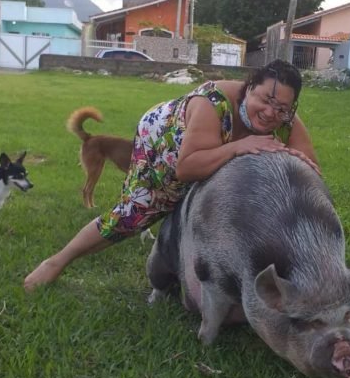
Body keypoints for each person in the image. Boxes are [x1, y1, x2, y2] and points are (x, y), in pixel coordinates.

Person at [24, 59, 321, 292]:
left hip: (209, 148)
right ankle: (56, 262)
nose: (271, 113)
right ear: (249, 87)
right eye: (265, 100)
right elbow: (187, 167)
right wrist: (239, 147)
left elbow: (310, 173)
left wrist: (294, 159)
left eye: (281, 107)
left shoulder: (286, 120)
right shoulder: (213, 103)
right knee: (135, 213)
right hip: (165, 141)